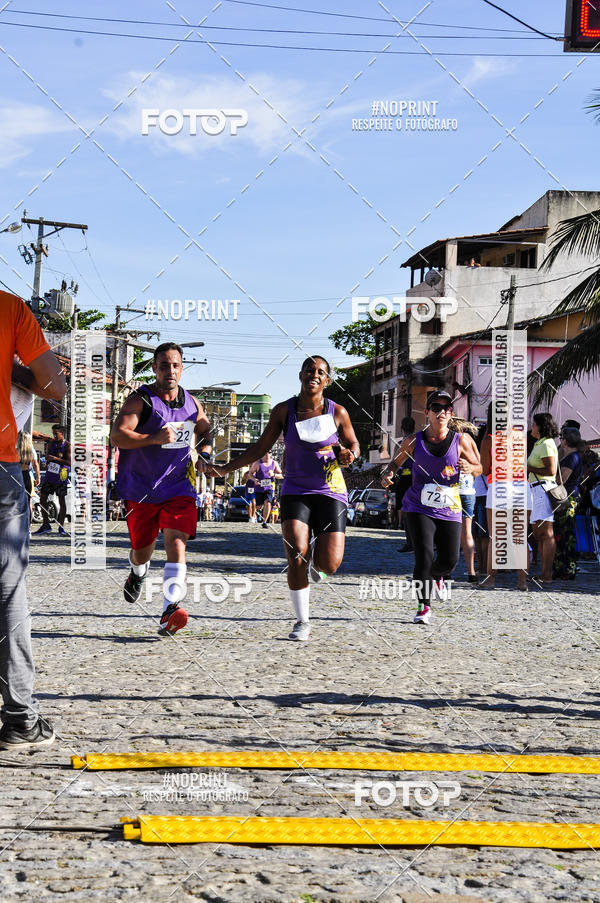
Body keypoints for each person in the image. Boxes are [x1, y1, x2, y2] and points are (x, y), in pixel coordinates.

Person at [205, 356, 359, 641]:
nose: (315, 374)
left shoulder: (338, 411)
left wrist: (350, 454)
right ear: (300, 375)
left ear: (327, 380)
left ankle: (318, 565)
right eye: (310, 370)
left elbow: (353, 444)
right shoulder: (282, 411)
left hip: (330, 491)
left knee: (330, 564)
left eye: (321, 372)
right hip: (295, 490)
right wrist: (226, 468)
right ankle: (302, 621)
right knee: (296, 554)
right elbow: (259, 447)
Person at [0, 290, 66, 750]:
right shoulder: (10, 309)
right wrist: (13, 371)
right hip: (1, 465)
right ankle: (21, 717)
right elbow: (53, 387)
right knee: (8, 588)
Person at [110, 342, 212, 636]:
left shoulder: (192, 403)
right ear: (154, 368)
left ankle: (170, 608)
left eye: (176, 365)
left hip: (178, 486)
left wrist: (204, 447)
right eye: (164, 365)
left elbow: (206, 429)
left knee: (176, 542)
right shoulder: (141, 400)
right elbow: (118, 435)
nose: (170, 370)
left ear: (182, 368)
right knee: (142, 551)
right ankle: (138, 573)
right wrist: (153, 437)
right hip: (140, 488)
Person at [381, 390, 481, 625]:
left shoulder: (462, 440)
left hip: (450, 506)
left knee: (449, 561)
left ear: (451, 414)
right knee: (424, 556)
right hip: (418, 505)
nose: (441, 412)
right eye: (436, 408)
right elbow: (395, 463)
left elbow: (480, 467)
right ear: (426, 413)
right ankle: (423, 607)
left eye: (446, 408)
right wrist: (388, 474)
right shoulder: (414, 440)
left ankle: (435, 577)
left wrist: (470, 467)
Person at [479, 405, 530, 591]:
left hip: (500, 486)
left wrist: (486, 433)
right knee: (520, 537)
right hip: (521, 487)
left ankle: (491, 579)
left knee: (496, 536)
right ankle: (522, 582)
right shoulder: (520, 437)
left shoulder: (489, 439)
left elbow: (484, 469)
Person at [527, 412, 559, 585]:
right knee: (539, 533)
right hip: (535, 490)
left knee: (546, 533)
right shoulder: (539, 444)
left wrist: (529, 467)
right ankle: (543, 572)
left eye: (534, 424)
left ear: (540, 426)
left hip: (542, 490)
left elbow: (551, 470)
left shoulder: (546, 444)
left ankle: (547, 574)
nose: (532, 427)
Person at [553, 426, 585, 580]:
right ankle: (560, 567)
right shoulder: (569, 455)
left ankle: (568, 568)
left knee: (566, 535)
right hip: (566, 498)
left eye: (561, 437)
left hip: (568, 499)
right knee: (560, 533)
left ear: (566, 440)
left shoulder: (573, 457)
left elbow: (561, 479)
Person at [449, 418, 479, 583]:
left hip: (451, 490)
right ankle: (471, 572)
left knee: (448, 531)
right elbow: (479, 464)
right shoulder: (470, 440)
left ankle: (446, 571)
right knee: (467, 533)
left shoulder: (449, 440)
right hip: (468, 489)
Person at [34, 424, 71, 536]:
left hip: (61, 476)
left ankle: (61, 527)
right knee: (42, 499)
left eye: (56, 433)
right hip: (50, 475)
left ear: (62, 433)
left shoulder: (68, 446)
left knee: (61, 501)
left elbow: (69, 462)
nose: (54, 435)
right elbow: (47, 456)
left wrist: (55, 459)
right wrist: (47, 461)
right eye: (53, 433)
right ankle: (46, 525)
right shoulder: (51, 444)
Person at [393, 416, 415, 551]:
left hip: (403, 479)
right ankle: (413, 542)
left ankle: (410, 542)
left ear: (401, 428)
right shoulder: (419, 442)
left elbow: (395, 463)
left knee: (406, 510)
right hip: (415, 479)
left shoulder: (401, 443)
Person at [250, 452, 283, 529]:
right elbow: (250, 474)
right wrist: (254, 479)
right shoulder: (257, 463)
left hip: (269, 487)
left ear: (271, 454)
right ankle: (259, 512)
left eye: (269, 452)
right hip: (258, 487)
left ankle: (264, 522)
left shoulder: (274, 463)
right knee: (259, 506)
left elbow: (281, 475)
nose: (267, 454)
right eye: (265, 453)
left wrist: (274, 475)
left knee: (268, 503)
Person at [18, 431, 40, 521]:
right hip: (27, 475)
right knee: (28, 501)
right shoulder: (31, 451)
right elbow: (36, 464)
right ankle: (28, 524)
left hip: (18, 476)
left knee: (17, 501)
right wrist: (38, 477)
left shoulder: (16, 451)